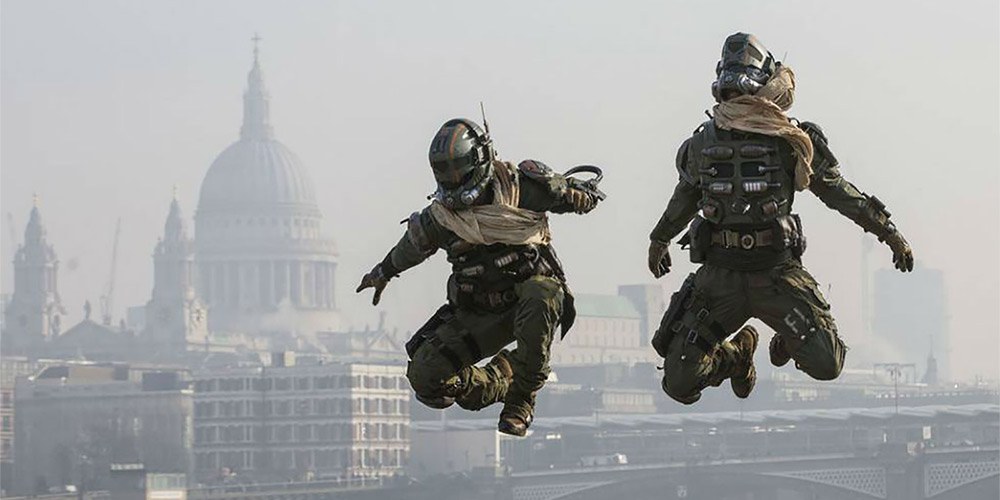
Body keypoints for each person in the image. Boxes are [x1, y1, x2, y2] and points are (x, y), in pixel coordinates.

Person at [648, 33, 914, 405]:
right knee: (678, 381)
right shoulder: (703, 144)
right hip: (720, 278)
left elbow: (839, 191)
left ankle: (789, 338)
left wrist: (890, 234)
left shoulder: (791, 140)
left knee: (827, 361)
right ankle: (735, 358)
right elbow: (685, 196)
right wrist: (659, 238)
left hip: (776, 275)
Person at [357, 117, 602, 435]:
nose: (454, 178)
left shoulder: (519, 187)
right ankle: (501, 378)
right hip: (479, 314)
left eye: (459, 168)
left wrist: (580, 196)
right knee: (425, 377)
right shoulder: (443, 216)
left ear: (479, 159)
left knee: (541, 293)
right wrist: (383, 272)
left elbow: (568, 194)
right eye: (446, 172)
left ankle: (522, 399)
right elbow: (412, 247)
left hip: (529, 302)